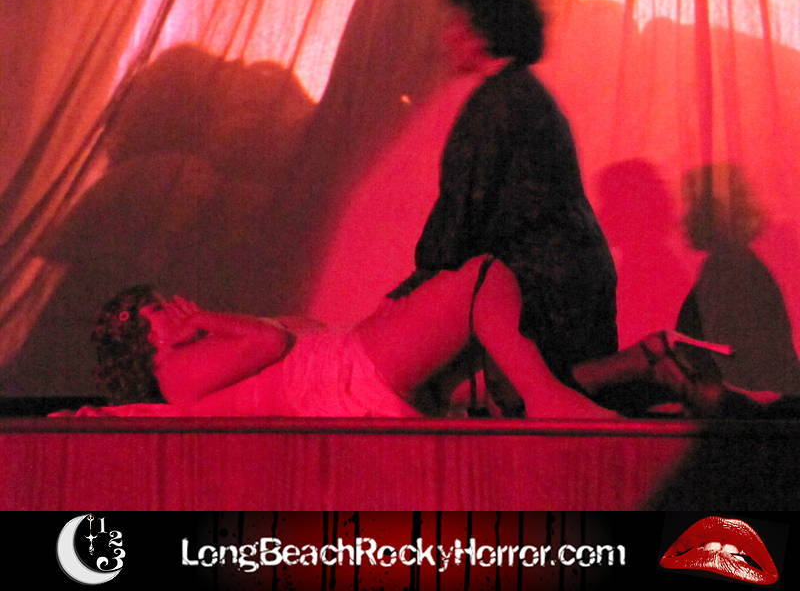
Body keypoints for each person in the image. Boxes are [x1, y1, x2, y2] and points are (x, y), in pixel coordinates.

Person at [90, 256, 765, 419]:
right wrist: (205, 319)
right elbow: (269, 346)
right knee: (481, 277)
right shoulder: (175, 374)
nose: (167, 309)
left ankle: (647, 362)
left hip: (352, 360)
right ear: (137, 342)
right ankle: (555, 405)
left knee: (496, 380)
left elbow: (290, 337)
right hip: (352, 378)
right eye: (151, 312)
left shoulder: (195, 351)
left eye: (159, 303)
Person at [388, 0, 617, 414]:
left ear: (482, 29)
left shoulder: (498, 104)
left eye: (456, 23)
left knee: (535, 403)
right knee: (557, 396)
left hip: (543, 287)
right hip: (568, 277)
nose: (446, 37)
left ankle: (654, 367)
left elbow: (462, 211)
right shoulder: (521, 94)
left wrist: (406, 300)